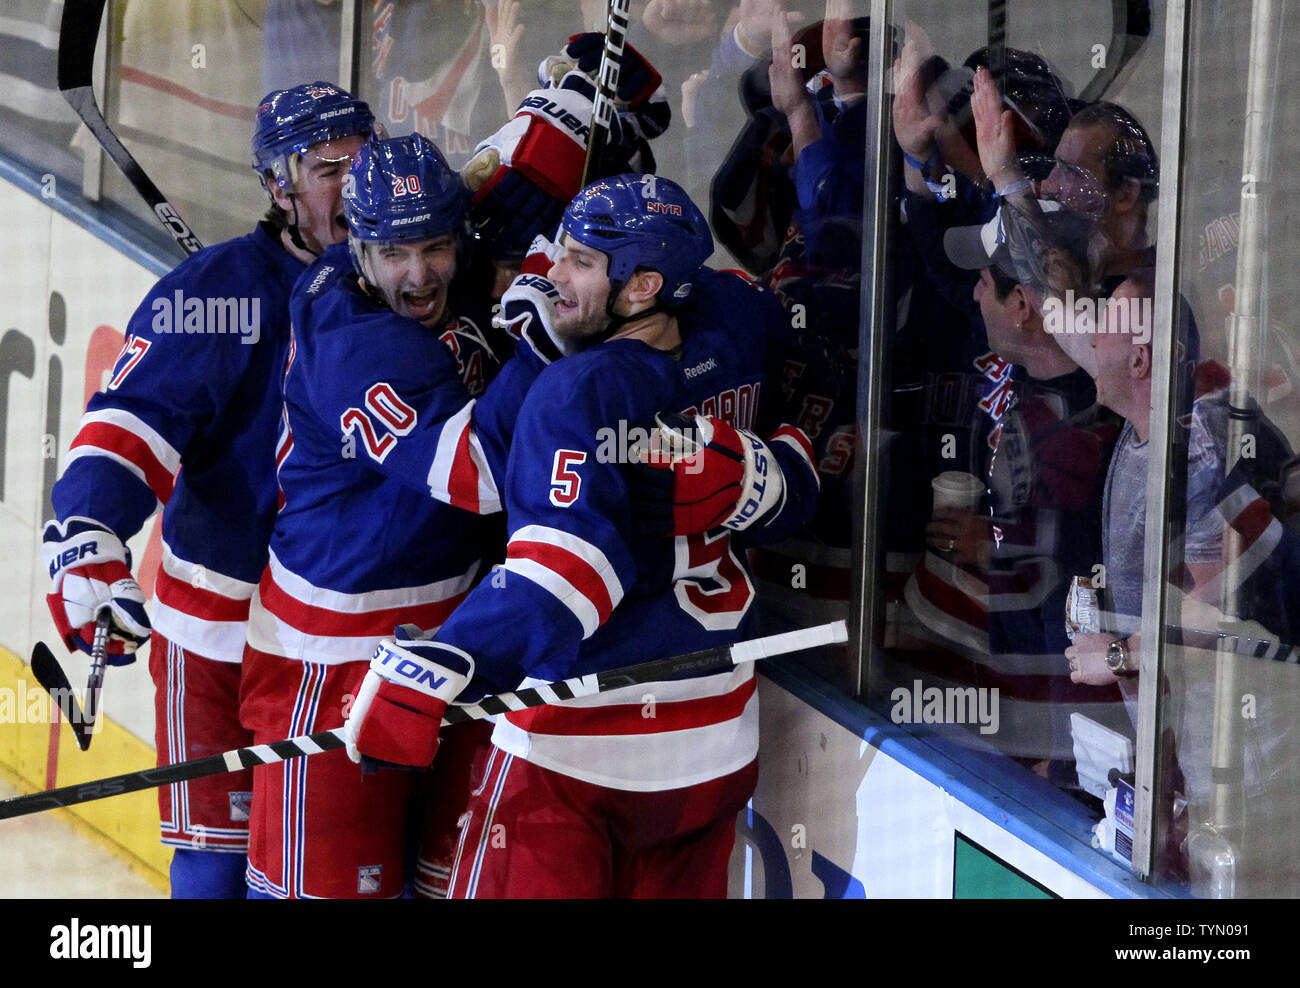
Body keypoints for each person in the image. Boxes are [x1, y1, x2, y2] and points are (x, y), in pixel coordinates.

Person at [344, 174, 819, 898]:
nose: (550, 274)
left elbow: (569, 578)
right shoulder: (737, 323)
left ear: (644, 284)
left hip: (580, 752)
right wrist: (771, 477)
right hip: (716, 747)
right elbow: (820, 414)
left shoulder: (576, 391)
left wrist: (443, 661)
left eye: (580, 262)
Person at [42, 82, 376, 898]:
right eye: (330, 169)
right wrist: (88, 531)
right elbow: (130, 422)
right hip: (223, 630)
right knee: (216, 859)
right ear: (279, 185)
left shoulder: (408, 275)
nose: (354, 185)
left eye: (366, 164)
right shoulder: (219, 293)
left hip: (343, 641)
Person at [238, 132, 515, 899]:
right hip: (330, 660)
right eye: (395, 253)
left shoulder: (401, 278)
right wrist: (545, 347)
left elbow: (509, 174)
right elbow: (478, 479)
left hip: (453, 646)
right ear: (355, 247)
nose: (418, 274)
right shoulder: (356, 345)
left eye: (434, 247)